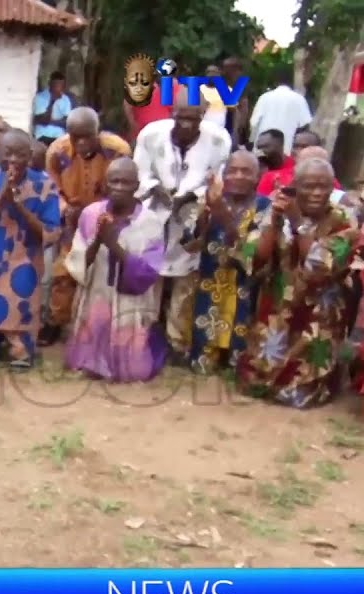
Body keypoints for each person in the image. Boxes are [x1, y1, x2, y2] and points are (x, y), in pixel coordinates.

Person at [237, 157, 359, 408]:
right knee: (256, 383)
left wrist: (298, 224)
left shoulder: (343, 222)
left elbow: (318, 267)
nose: (317, 193)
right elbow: (256, 258)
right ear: (295, 186)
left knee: (300, 391)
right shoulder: (278, 210)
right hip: (278, 304)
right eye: (309, 186)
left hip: (317, 310)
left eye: (324, 186)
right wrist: (274, 219)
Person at [133, 97, 231, 361]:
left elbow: (217, 179)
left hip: (193, 214)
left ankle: (176, 342)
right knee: (149, 276)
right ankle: (142, 337)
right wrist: (156, 189)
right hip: (154, 210)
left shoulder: (219, 140)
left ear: (203, 116)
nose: (187, 124)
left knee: (185, 280)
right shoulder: (151, 135)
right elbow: (139, 172)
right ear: (172, 113)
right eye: (181, 117)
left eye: (194, 118)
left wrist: (191, 196)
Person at [0, 129, 62, 372]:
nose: (13, 160)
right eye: (8, 154)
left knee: (22, 298)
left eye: (20, 154)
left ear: (30, 156)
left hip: (24, 259)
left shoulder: (44, 185)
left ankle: (20, 350)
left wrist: (18, 205)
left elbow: (50, 233)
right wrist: (0, 201)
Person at [64, 158, 169, 382]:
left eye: (126, 183)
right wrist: (98, 241)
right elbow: (78, 260)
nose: (119, 188)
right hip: (97, 291)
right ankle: (93, 362)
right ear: (106, 183)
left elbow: (149, 271)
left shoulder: (150, 222)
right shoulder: (91, 214)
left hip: (131, 301)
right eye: (114, 182)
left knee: (133, 369)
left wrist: (114, 245)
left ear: (136, 185)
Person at [39, 107, 133, 347]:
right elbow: (52, 189)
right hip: (72, 219)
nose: (82, 143)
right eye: (75, 137)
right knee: (64, 272)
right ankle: (56, 322)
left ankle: (101, 326)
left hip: (106, 217)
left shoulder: (117, 150)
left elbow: (122, 186)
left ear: (97, 132)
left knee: (103, 272)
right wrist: (65, 209)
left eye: (87, 136)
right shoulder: (57, 152)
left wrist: (101, 213)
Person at [186, 150, 268, 373]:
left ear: (257, 176)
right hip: (210, 279)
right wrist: (204, 216)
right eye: (232, 171)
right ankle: (204, 357)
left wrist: (222, 213)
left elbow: (252, 253)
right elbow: (190, 243)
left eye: (246, 171)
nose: (239, 176)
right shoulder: (209, 199)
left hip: (245, 284)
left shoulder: (265, 208)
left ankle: (235, 361)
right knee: (205, 334)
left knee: (240, 339)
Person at [256, 130, 340, 196]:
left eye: (304, 146)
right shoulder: (271, 177)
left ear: (317, 148)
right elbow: (260, 206)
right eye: (295, 146)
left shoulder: (329, 181)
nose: (299, 151)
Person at [250, 69, 313, 156]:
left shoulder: (264, 97)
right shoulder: (299, 99)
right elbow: (305, 125)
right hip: (287, 148)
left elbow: (254, 123)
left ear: (275, 82)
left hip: (263, 148)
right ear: (292, 82)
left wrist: (253, 142)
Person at [33, 71, 77, 145]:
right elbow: (43, 121)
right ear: (50, 84)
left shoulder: (65, 99)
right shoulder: (40, 97)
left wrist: (51, 121)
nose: (58, 88)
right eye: (56, 85)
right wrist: (52, 101)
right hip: (42, 135)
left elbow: (67, 122)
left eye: (61, 85)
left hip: (59, 136)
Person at [219, 56, 251, 147]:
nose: (225, 71)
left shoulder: (240, 83)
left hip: (234, 122)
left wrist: (240, 126)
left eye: (227, 68)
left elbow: (244, 106)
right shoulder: (223, 82)